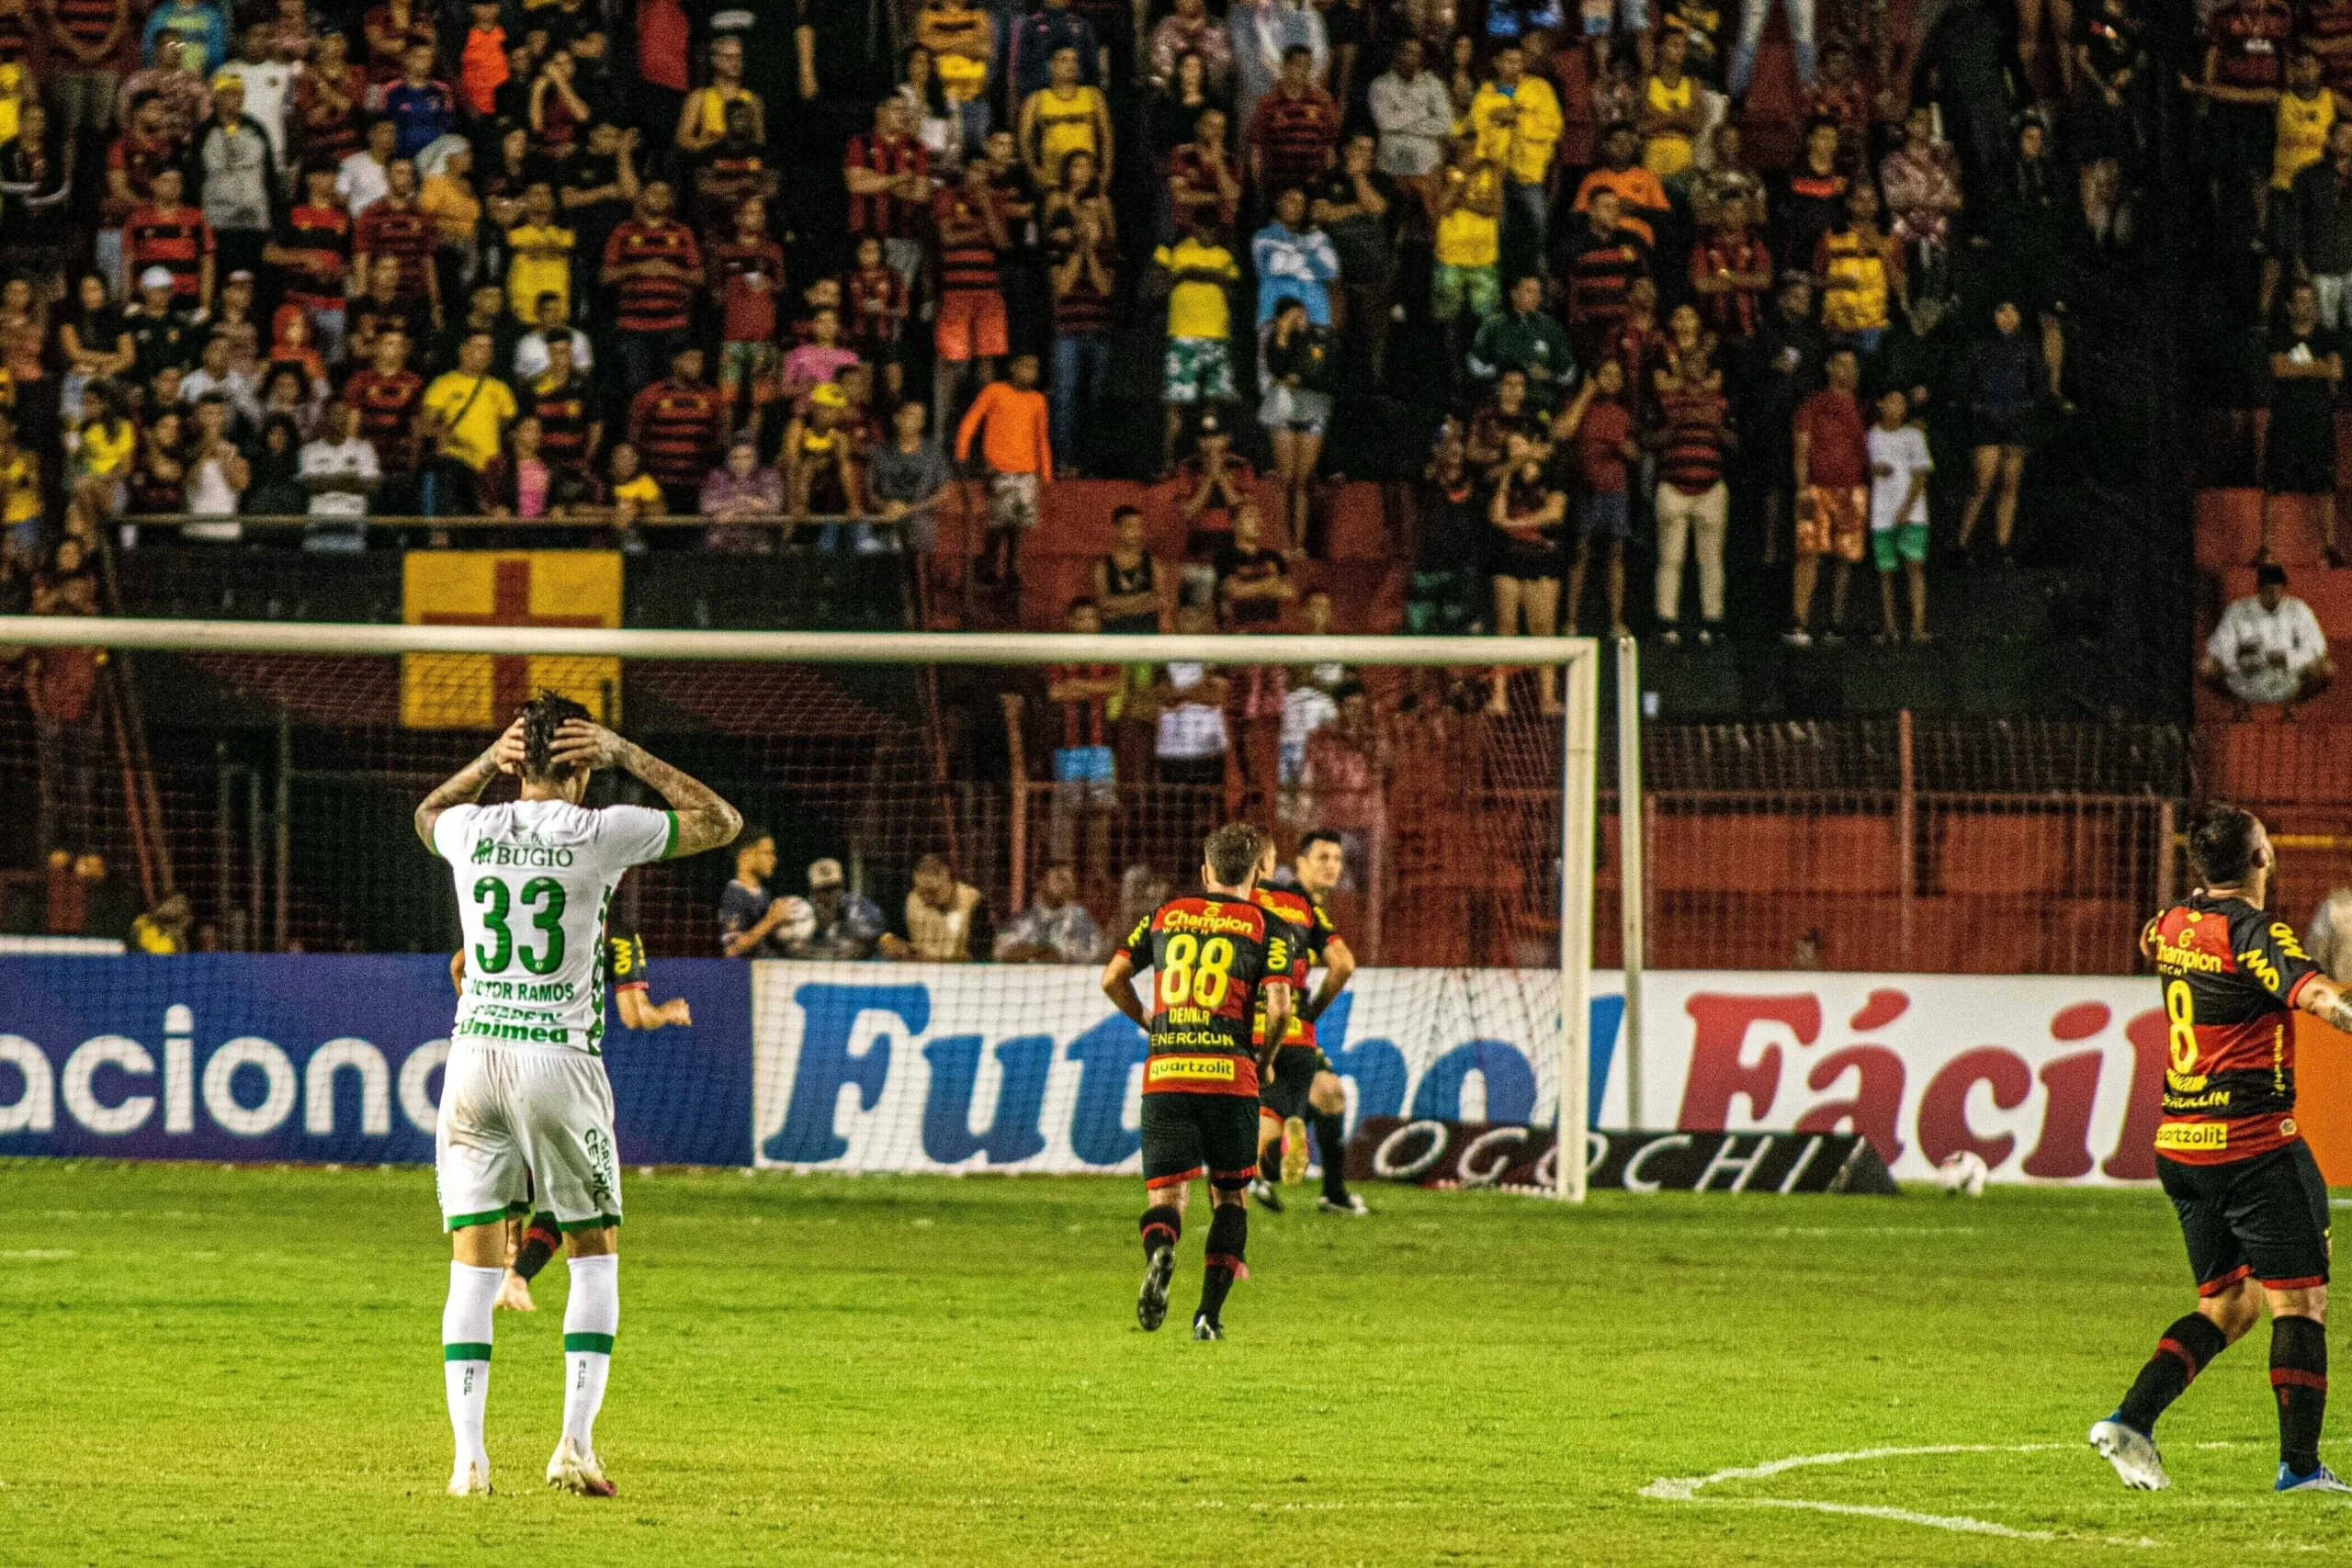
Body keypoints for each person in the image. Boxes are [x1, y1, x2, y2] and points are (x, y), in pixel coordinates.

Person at [416, 692, 741, 1499]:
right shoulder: (601, 832)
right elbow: (720, 820)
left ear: (512, 758)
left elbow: (427, 814)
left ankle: (468, 1462)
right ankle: (572, 1446)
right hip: (555, 1060)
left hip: (473, 1055)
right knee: (595, 1253)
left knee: (470, 1272)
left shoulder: (471, 829)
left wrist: (481, 767)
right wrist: (628, 752)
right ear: (584, 763)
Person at [2090, 803, 2352, 1496]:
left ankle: (2131, 1420)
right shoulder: (2255, 931)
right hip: (2253, 1144)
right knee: (2300, 1302)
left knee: (2231, 1304)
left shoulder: (2172, 923)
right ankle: (2299, 1468)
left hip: (2181, 1144)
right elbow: (2316, 993)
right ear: (2262, 858)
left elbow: (2155, 940)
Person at [1099, 821, 1295, 1339]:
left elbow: (1110, 978)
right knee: (1230, 1198)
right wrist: (1266, 1058)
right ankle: (1208, 1316)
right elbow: (1279, 1008)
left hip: (1166, 1071)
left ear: (1205, 871)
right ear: (1258, 872)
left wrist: (1148, 1020)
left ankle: (1162, 1250)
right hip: (1230, 1077)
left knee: (1167, 1198)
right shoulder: (1271, 926)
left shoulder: (1165, 915)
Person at [1248, 831, 1365, 1214]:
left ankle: (1332, 1194)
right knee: (1287, 1100)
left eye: (1337, 858)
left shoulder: (1278, 902)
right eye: (1322, 857)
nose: (1332, 866)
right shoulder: (1297, 905)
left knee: (1329, 1092)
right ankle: (1263, 1166)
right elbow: (1343, 964)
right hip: (1282, 1024)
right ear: (1298, 863)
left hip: (1255, 1022)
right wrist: (1311, 1010)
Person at [1955, 300, 2047, 565]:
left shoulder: (2028, 349)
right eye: (2001, 310)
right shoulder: (1980, 347)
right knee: (1982, 483)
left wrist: (2026, 408)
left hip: (2016, 421)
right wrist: (1979, 408)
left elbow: (2039, 383)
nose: (2007, 317)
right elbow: (1966, 383)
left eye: (2013, 311)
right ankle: (1962, 543)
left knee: (2010, 485)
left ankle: (2003, 545)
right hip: (1987, 420)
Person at [1788, 344, 1868, 646]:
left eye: (1854, 365)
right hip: (1816, 489)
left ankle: (1836, 623)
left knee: (1846, 557)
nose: (1850, 370)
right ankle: (1799, 621)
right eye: (1843, 364)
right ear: (1830, 368)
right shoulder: (1813, 405)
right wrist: (1801, 488)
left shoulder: (1863, 408)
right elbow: (1801, 449)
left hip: (1853, 491)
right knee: (1808, 552)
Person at [1152, 213, 1242, 468]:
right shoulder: (1173, 249)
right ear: (1192, 225)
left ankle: (1213, 465)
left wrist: (1191, 274)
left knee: (1213, 408)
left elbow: (1235, 288)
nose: (1208, 232)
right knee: (1175, 405)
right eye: (1203, 225)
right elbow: (1155, 286)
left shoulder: (1224, 254)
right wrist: (1201, 275)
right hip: (1182, 334)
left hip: (1217, 336)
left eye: (1213, 228)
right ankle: (1170, 461)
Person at [1486, 429, 1566, 716]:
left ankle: (1546, 698)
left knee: (1543, 628)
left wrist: (1514, 526)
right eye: (1512, 447)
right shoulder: (1507, 479)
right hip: (1509, 560)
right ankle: (1499, 698)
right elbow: (1496, 516)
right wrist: (1507, 476)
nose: (1517, 450)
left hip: (1543, 560)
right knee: (1505, 628)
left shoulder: (1552, 475)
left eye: (1522, 443)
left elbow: (1554, 513)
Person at [956, 354, 1053, 587]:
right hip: (998, 468)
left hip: (1026, 470)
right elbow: (971, 420)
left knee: (1018, 526)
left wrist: (1046, 472)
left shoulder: (1037, 399)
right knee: (998, 522)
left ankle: (1012, 569)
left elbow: (1041, 437)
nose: (1031, 371)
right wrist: (962, 451)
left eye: (1035, 367)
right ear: (1012, 368)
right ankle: (989, 567)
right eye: (1026, 366)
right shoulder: (995, 391)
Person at [2203, 563, 2335, 718]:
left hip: (2286, 676)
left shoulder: (2298, 609)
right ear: (2259, 591)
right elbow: (2217, 647)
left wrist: (2287, 658)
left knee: (2327, 668)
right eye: (2269, 592)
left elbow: (2316, 647)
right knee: (2206, 667)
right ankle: (2239, 704)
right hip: (2247, 677)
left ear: (2285, 590)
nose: (2275, 597)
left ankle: (2292, 705)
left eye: (2279, 592)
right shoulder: (2238, 609)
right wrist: (2239, 652)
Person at [1564, 357, 1634, 642]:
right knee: (1580, 554)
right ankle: (1570, 621)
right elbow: (1563, 433)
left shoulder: (1624, 414)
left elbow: (1634, 452)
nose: (1612, 380)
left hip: (1616, 491)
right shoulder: (1583, 408)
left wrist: (1627, 451)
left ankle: (1616, 621)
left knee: (1616, 555)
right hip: (1587, 491)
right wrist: (1586, 392)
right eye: (1606, 374)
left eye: (1616, 375)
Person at [1256, 296, 1330, 551]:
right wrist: (1283, 335)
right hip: (1283, 408)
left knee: (1301, 480)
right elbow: (1277, 369)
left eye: (1302, 314)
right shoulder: (1272, 337)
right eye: (1293, 316)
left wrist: (1296, 377)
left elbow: (1314, 370)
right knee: (1285, 479)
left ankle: (1299, 544)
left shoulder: (1316, 337)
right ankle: (1283, 543)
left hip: (1311, 409)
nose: (1300, 319)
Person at [1867, 388, 1932, 645]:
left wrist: (1906, 508)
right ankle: (1890, 627)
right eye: (1893, 401)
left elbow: (1920, 475)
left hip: (1912, 513)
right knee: (1886, 571)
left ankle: (1917, 626)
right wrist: (1876, 469)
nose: (1899, 407)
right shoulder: (1872, 435)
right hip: (1882, 513)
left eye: (1903, 403)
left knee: (1914, 567)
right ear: (1881, 403)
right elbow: (1870, 466)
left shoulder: (1914, 435)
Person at [298, 397, 380, 553]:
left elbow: (372, 484)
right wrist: (350, 480)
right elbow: (310, 486)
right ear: (325, 417)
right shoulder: (310, 451)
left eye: (344, 414)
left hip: (352, 529)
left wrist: (327, 481)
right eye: (335, 414)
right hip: (318, 529)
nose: (341, 419)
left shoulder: (363, 449)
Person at [994, 860, 1105, 963]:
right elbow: (999, 951)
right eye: (1059, 879)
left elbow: (1095, 955)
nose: (1065, 885)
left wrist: (1058, 953)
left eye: (1069, 880)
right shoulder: (1024, 920)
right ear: (1041, 884)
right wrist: (1039, 950)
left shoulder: (1081, 919)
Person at [719, 829, 807, 957]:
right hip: (743, 974)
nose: (774, 859)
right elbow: (731, 950)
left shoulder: (764, 893)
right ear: (746, 856)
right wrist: (771, 921)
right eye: (767, 853)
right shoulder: (734, 895)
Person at [886, 853, 989, 961]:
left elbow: (980, 956)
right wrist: (889, 942)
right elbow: (889, 935)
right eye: (922, 893)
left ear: (947, 878)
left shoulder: (974, 902)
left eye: (932, 892)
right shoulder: (911, 900)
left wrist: (932, 959)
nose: (926, 900)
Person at [787, 858, 888, 961]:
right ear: (812, 893)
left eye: (835, 887)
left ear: (843, 887)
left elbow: (864, 947)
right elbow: (793, 950)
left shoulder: (860, 907)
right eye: (823, 890)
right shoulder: (799, 912)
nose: (831, 895)